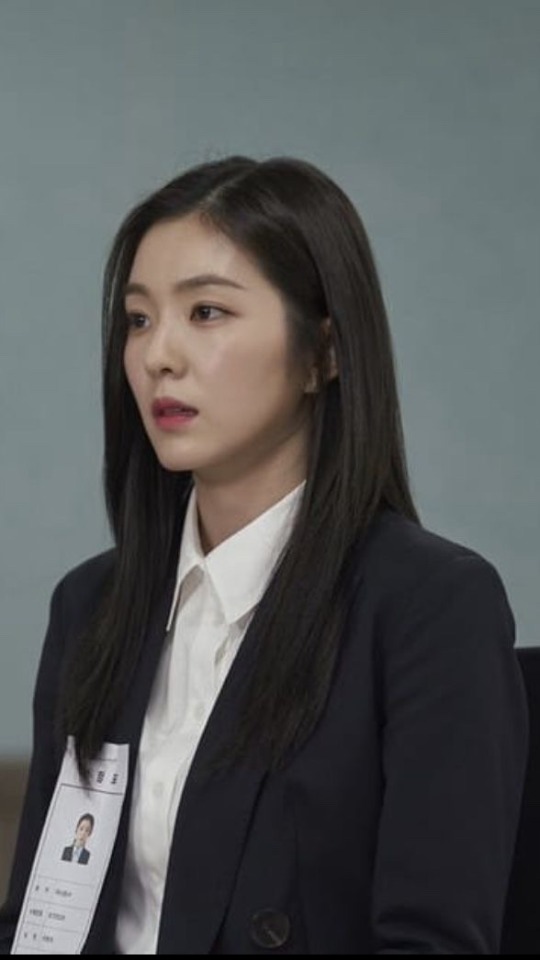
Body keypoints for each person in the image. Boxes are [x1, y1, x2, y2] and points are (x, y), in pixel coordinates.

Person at [0, 156, 528, 954]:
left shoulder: (428, 606)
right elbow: (41, 924)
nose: (158, 355)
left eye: (206, 312)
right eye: (138, 319)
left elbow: (433, 940)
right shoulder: (91, 606)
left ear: (324, 352)